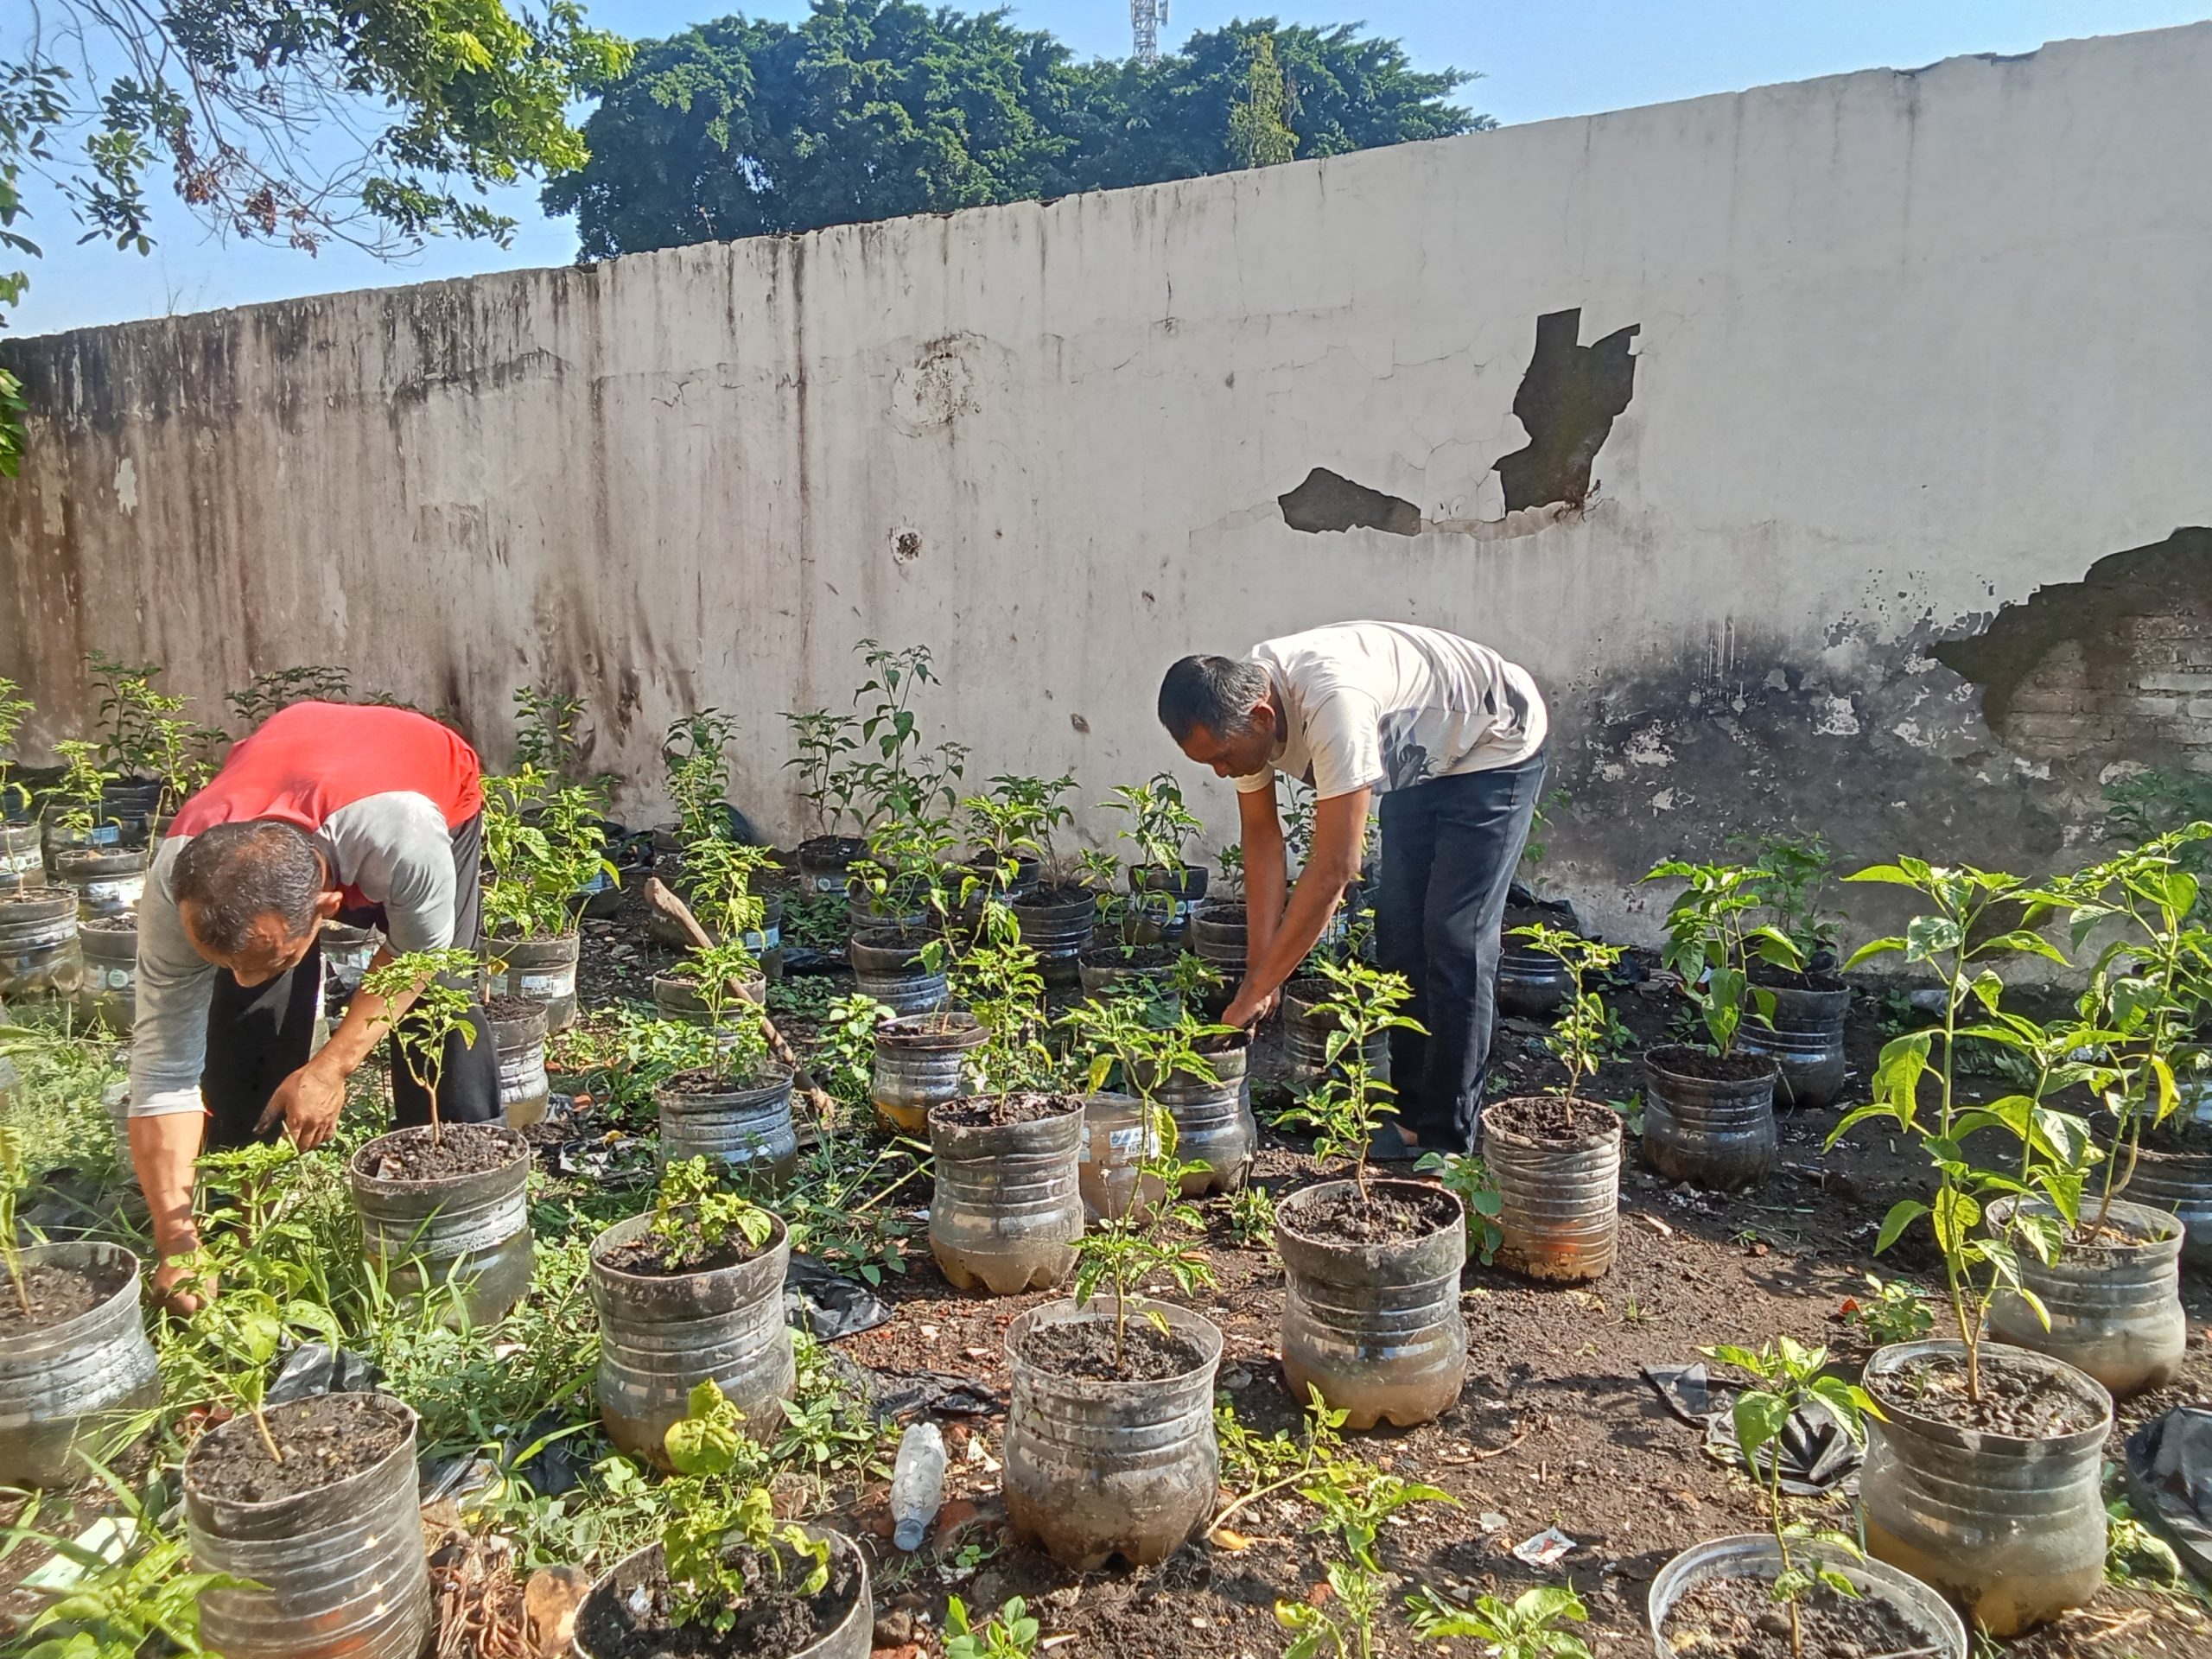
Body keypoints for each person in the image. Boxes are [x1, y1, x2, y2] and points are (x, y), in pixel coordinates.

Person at [130, 700, 501, 1305]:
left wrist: (331, 1068)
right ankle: (246, 1198)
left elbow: (417, 959)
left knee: (440, 998)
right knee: (249, 1008)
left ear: (329, 910)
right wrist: (175, 1241)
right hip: (291, 783)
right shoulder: (179, 879)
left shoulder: (406, 835)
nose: (243, 977)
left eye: (273, 955)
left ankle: (461, 1175)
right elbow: (161, 1072)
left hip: (420, 778)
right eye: (225, 960)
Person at [1157, 621, 1549, 1157]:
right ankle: (1412, 1118)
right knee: (1400, 934)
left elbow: (1335, 869)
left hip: (1495, 740)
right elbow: (1263, 841)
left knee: (1454, 936)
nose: (1222, 771)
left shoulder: (1331, 706)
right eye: (1208, 763)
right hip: (1424, 753)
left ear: (1263, 718)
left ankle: (1447, 1141)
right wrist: (1258, 974)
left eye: (1222, 757)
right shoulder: (1238, 706)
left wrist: (1257, 990)